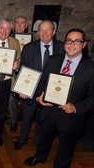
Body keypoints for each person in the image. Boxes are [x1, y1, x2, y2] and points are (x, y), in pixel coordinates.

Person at [24, 29, 94, 167]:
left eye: (77, 41)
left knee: (66, 147)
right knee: (44, 139)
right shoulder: (53, 60)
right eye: (69, 40)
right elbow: (43, 83)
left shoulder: (93, 70)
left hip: (70, 117)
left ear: (83, 44)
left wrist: (76, 107)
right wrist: (38, 97)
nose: (72, 44)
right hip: (48, 111)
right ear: (64, 43)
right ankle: (40, 157)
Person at [13, 20, 65, 150]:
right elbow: (23, 69)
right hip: (31, 90)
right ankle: (22, 139)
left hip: (50, 92)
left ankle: (38, 141)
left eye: (48, 30)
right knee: (26, 117)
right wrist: (21, 89)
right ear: (38, 32)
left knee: (44, 119)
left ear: (54, 32)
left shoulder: (62, 48)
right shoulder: (29, 47)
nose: (44, 33)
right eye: (41, 30)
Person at [8, 15, 29, 133]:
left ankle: (14, 120)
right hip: (11, 74)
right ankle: (11, 116)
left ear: (26, 26)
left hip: (25, 74)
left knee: (14, 99)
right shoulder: (8, 39)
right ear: (13, 26)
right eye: (17, 22)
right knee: (10, 98)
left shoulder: (33, 41)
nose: (19, 25)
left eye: (22, 23)